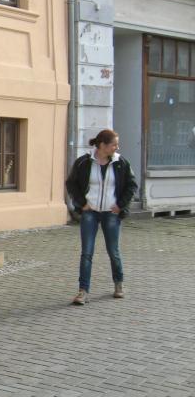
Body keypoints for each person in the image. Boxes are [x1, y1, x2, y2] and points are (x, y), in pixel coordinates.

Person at [65, 129, 137, 305]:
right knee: (86, 252)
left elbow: (131, 185)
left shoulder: (121, 163)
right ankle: (83, 291)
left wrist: (120, 205)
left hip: (111, 213)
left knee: (113, 251)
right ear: (103, 145)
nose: (117, 147)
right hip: (90, 212)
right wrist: (82, 203)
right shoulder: (84, 162)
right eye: (114, 144)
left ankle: (118, 284)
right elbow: (71, 183)